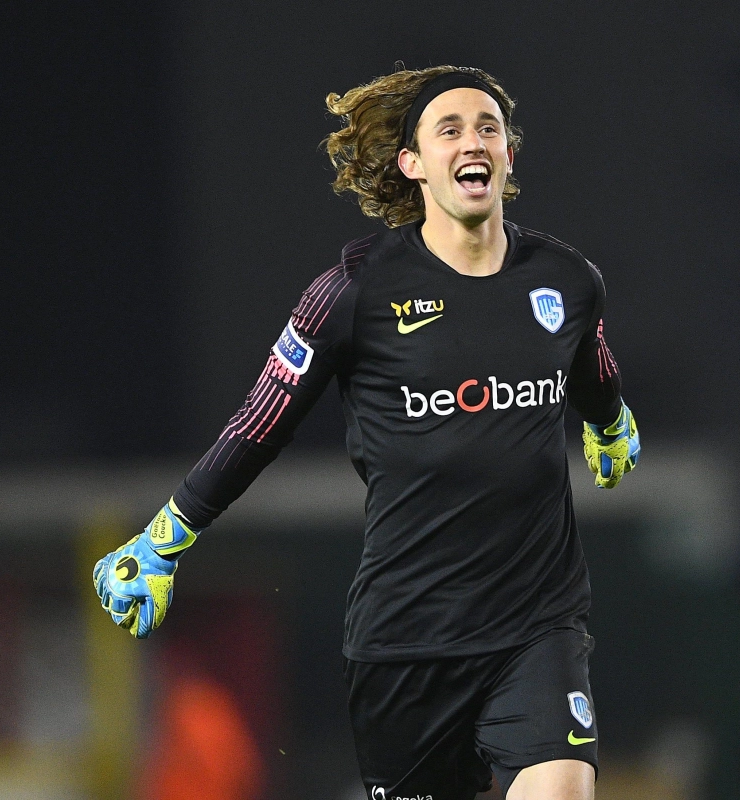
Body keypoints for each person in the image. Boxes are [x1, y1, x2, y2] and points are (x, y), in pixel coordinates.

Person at [92, 65, 640, 800]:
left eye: (488, 128)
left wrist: (608, 421)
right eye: (449, 130)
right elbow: (261, 422)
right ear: (412, 164)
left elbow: (590, 362)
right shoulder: (354, 289)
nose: (473, 141)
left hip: (537, 628)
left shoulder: (567, 279)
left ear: (509, 154)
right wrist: (167, 534)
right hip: (406, 640)